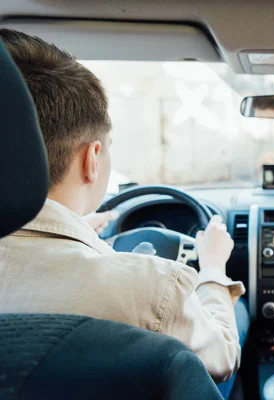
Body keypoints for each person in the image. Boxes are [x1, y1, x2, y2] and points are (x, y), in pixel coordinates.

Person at [0, 28, 246, 388]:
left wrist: (76, 228)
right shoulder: (150, 288)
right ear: (93, 159)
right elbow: (223, 358)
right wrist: (212, 268)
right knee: (235, 313)